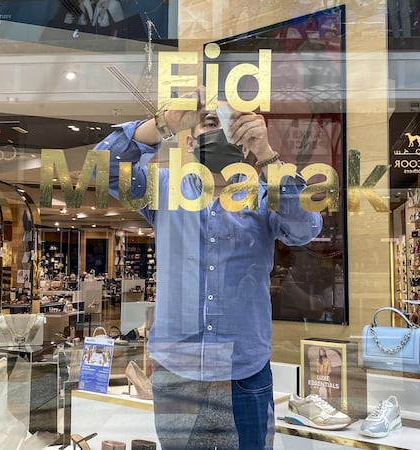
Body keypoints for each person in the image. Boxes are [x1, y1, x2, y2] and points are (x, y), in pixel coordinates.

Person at [96, 90, 322, 449]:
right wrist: (162, 123)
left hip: (244, 374)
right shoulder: (163, 190)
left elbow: (305, 228)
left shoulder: (264, 195)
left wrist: (267, 155)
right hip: (177, 374)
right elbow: (101, 166)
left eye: (233, 126)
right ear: (189, 140)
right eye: (211, 123)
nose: (223, 133)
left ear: (245, 142)